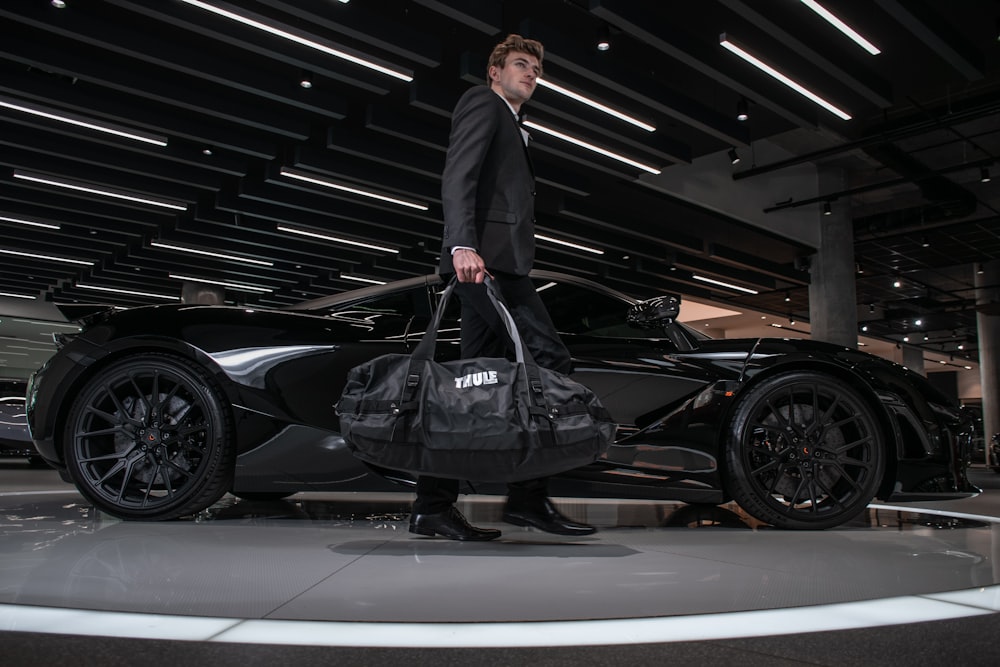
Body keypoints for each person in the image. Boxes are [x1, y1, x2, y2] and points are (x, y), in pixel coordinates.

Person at [408, 34, 597, 541]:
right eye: (520, 64)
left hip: (497, 266)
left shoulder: (516, 125)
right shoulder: (482, 104)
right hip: (486, 269)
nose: (530, 73)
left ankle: (433, 505)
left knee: (472, 388)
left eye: (535, 68)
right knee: (549, 361)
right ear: (494, 72)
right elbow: (458, 175)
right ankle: (527, 500)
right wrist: (461, 245)